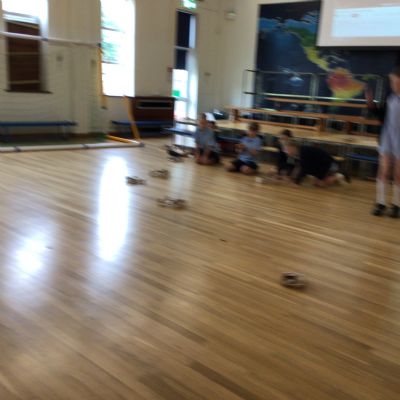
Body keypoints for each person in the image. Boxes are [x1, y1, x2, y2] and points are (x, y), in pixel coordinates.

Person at [366, 66, 400, 218]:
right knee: (384, 171)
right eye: (392, 82)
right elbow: (381, 116)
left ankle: (397, 205)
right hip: (387, 136)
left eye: (395, 82)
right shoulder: (389, 97)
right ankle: (380, 203)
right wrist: (371, 105)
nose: (393, 85)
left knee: (398, 174)